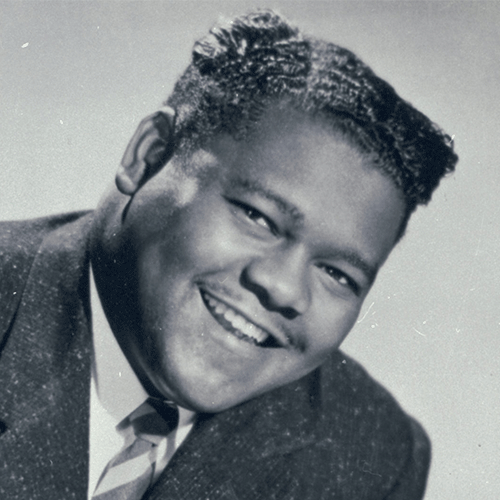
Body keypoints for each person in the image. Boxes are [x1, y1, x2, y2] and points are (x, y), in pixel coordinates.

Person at [0, 9, 457, 500]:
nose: (284, 288)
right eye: (258, 217)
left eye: (338, 274)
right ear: (148, 155)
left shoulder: (375, 457)